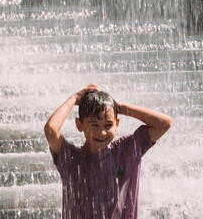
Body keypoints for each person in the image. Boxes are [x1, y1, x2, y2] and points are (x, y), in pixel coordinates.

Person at [44, 83, 172, 219]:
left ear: (117, 123)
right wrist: (74, 98)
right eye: (94, 125)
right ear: (79, 125)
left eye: (108, 125)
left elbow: (164, 123)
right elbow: (51, 130)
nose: (102, 132)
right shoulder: (71, 159)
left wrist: (120, 107)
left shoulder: (127, 149)